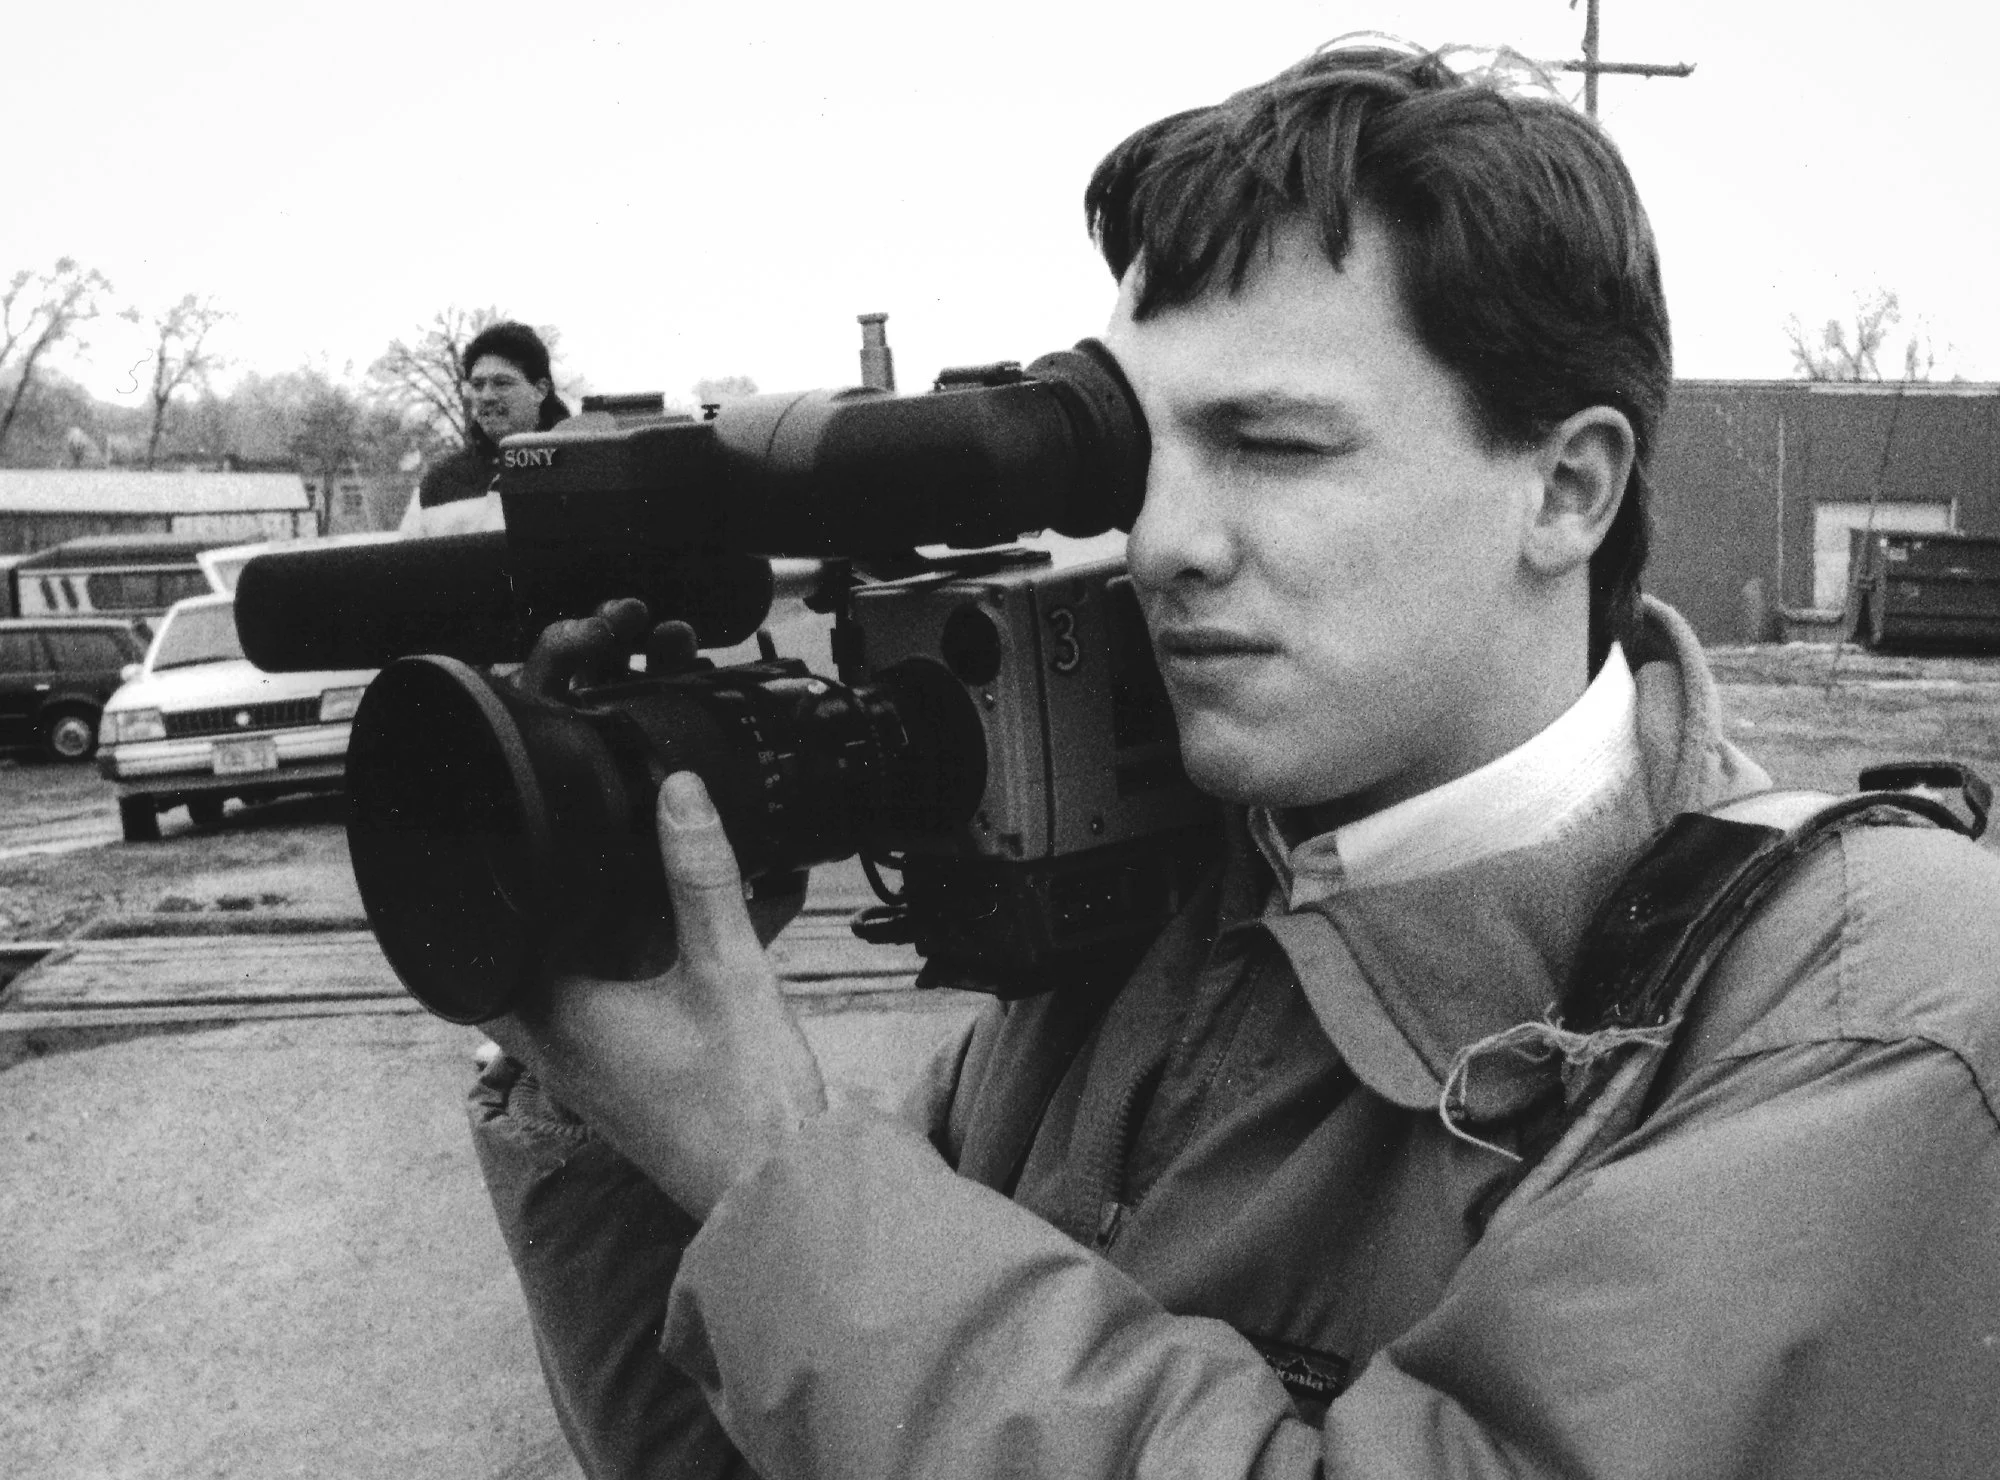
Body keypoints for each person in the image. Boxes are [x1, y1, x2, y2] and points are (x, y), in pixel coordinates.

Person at [467, 42, 2000, 1479]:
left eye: (1272, 446)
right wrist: (599, 1075)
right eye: (1144, 459)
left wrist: (771, 1168)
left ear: (1567, 488)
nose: (1160, 546)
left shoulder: (1865, 1003)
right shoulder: (1162, 917)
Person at [399, 320, 570, 537]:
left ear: (540, 390)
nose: (487, 396)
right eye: (478, 385)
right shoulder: (437, 488)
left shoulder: (582, 468)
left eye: (502, 383)